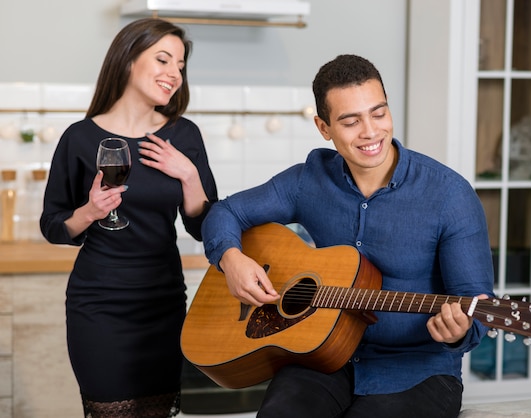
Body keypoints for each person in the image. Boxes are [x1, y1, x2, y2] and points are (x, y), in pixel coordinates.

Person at [201, 54, 494, 418]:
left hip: (416, 371)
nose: (370, 132)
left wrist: (459, 330)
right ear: (324, 127)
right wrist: (232, 259)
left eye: (379, 113)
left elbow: (477, 305)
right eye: (351, 121)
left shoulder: (450, 195)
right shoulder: (308, 180)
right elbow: (225, 212)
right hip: (320, 359)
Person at [40, 18, 218, 417]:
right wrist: (90, 212)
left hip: (163, 303)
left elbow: (203, 226)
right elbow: (53, 225)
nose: (174, 74)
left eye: (181, 66)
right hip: (99, 305)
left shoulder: (183, 135)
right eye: (163, 60)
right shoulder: (80, 138)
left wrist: (188, 174)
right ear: (127, 59)